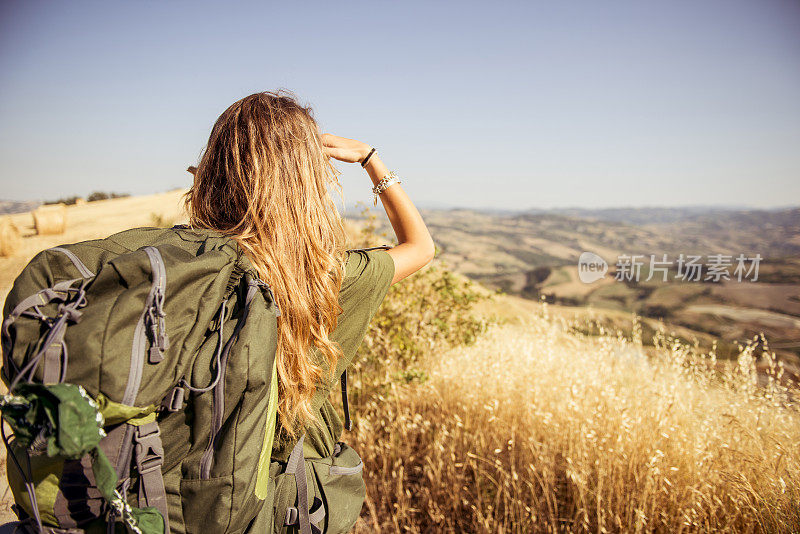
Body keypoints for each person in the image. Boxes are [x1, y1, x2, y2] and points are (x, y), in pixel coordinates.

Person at [184, 89, 435, 530]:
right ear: (305, 179)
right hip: (282, 497)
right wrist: (371, 158)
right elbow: (421, 247)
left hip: (183, 484)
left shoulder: (186, 266)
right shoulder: (332, 279)